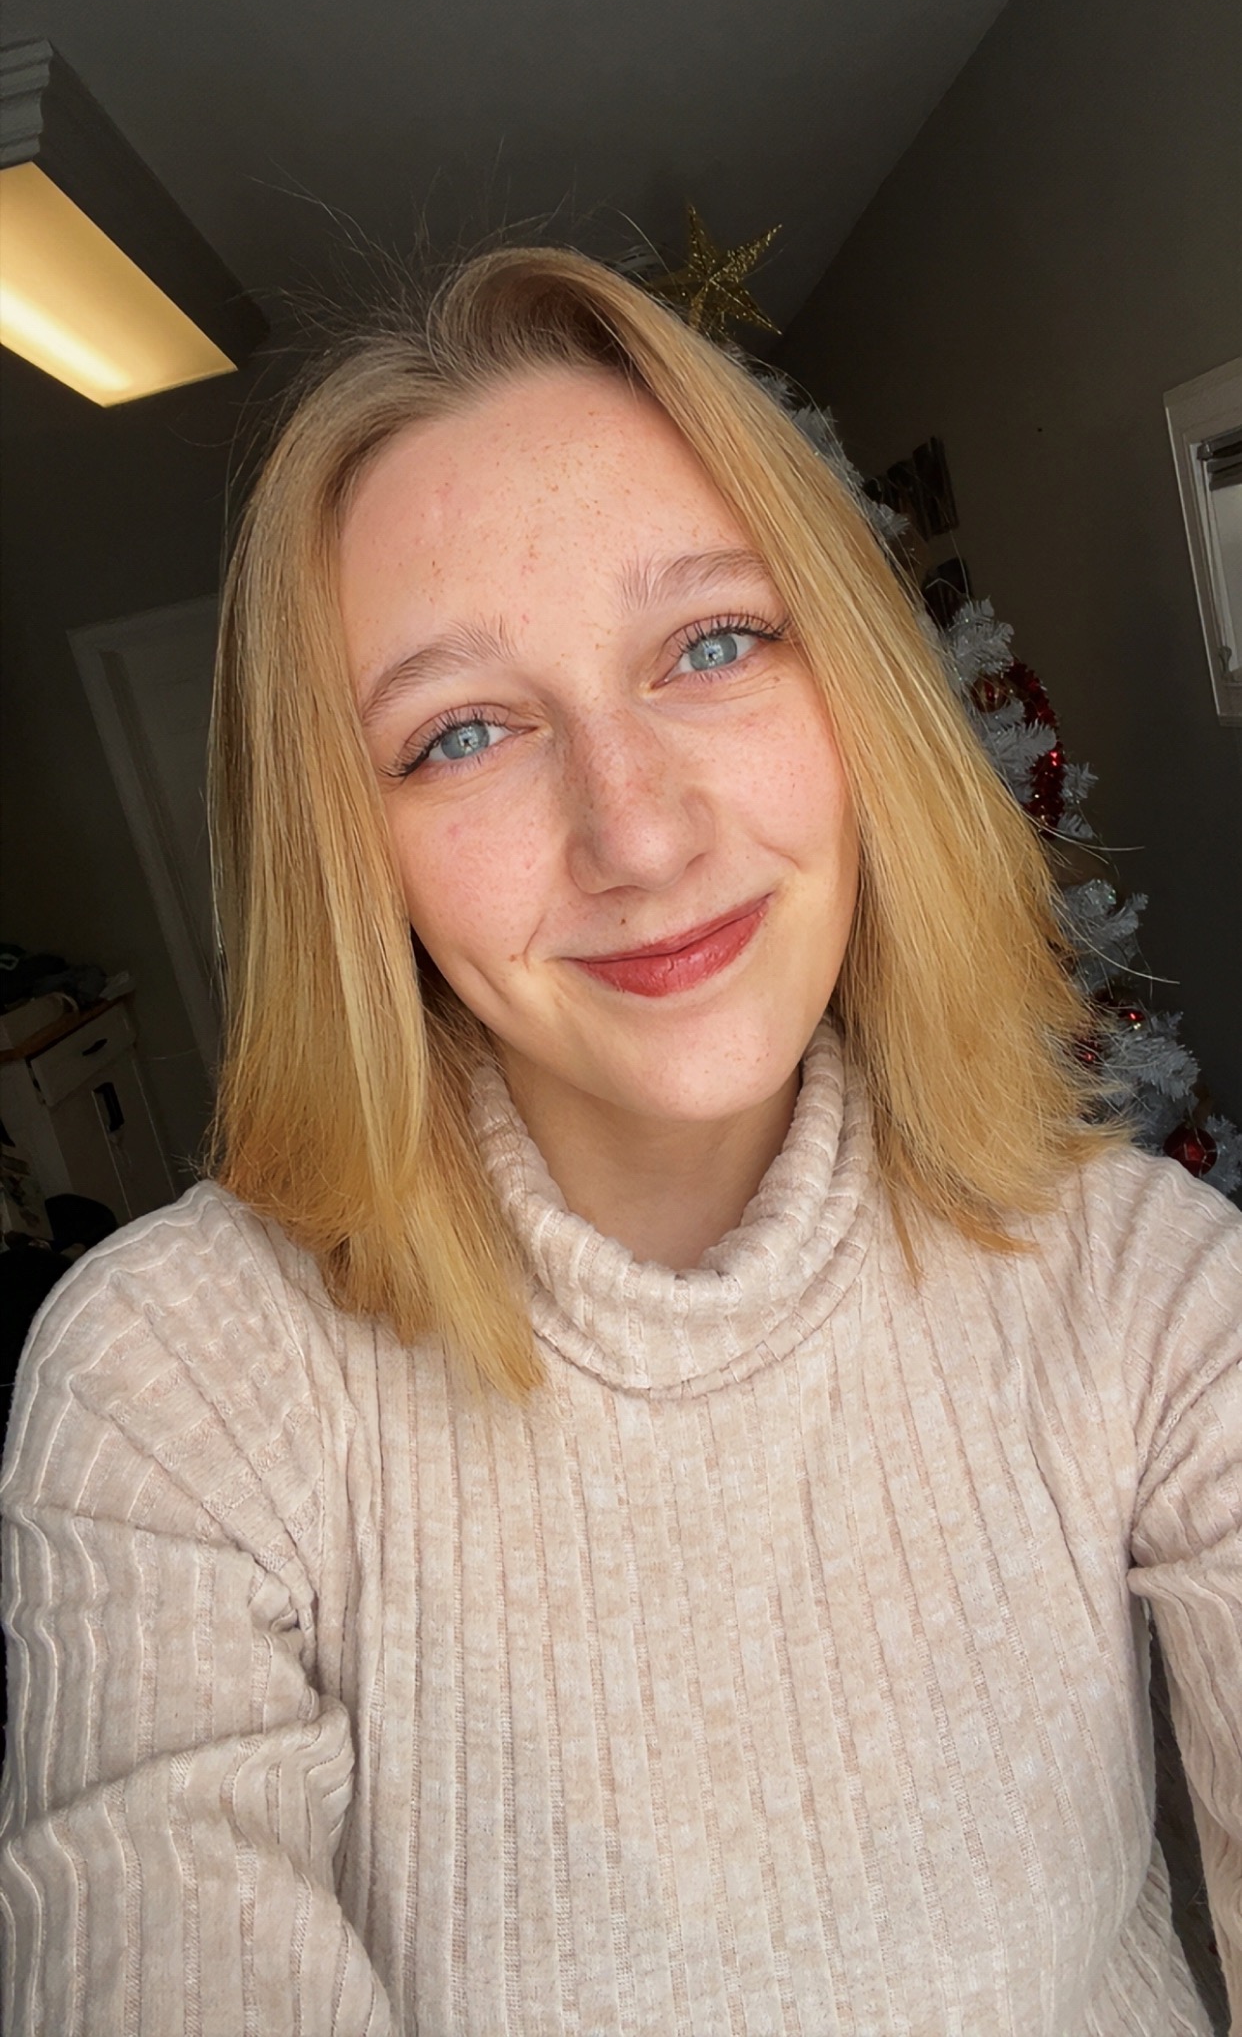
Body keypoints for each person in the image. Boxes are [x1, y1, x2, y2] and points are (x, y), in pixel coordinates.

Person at [0, 246, 1238, 2037]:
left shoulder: (1148, 1291)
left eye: (712, 643)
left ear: (860, 703)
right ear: (351, 857)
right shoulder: (177, 1384)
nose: (635, 834)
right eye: (463, 733)